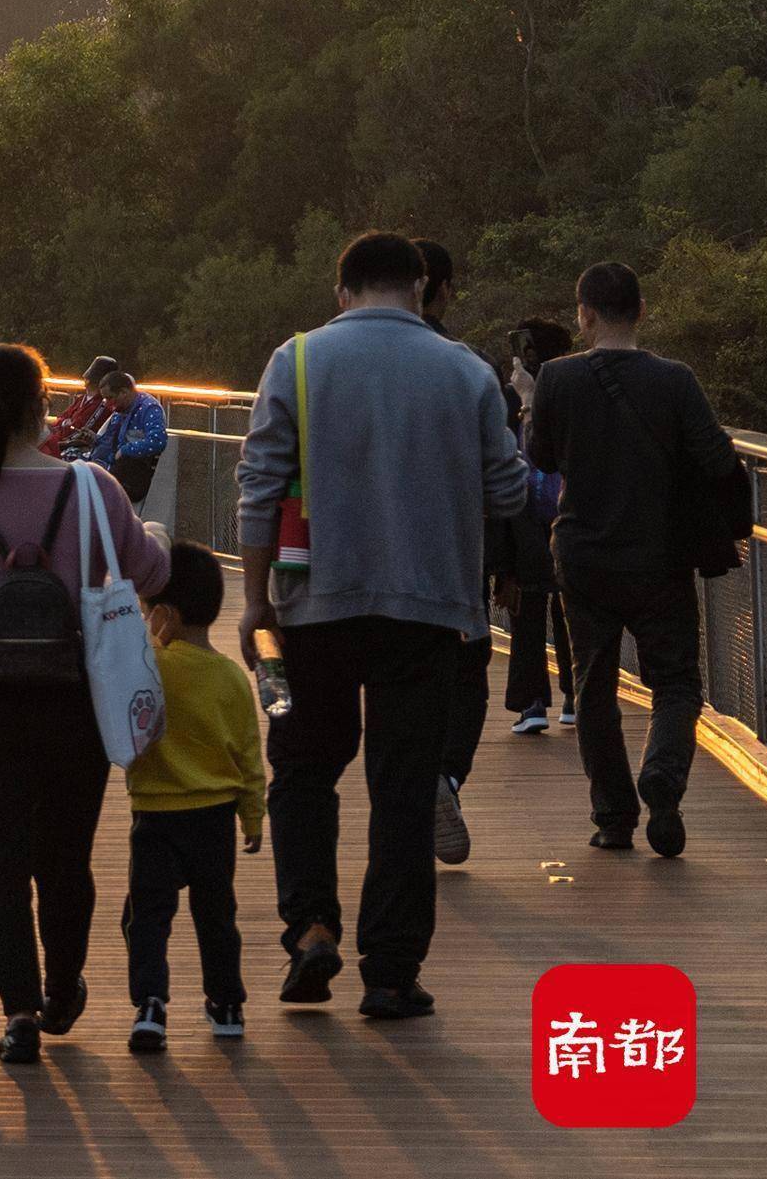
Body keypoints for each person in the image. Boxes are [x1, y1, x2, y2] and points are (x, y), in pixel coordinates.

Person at [233, 232, 524, 1022]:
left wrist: (255, 600)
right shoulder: (465, 369)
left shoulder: (294, 360)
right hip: (428, 612)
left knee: (302, 766)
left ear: (342, 291)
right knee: (401, 789)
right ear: (422, 286)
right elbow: (507, 490)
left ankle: (311, 926)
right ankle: (392, 972)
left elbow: (259, 483)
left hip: (311, 607)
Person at [0, 343, 169, 1064]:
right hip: (73, 699)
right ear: (39, 408)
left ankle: (18, 1011)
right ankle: (63, 983)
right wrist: (154, 537)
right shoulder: (94, 488)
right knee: (64, 854)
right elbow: (149, 572)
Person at [530, 261, 746, 858]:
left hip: (583, 556)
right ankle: (663, 777)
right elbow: (718, 458)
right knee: (675, 681)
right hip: (660, 559)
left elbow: (541, 458)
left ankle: (613, 818)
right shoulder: (676, 380)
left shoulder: (554, 378)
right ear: (642, 311)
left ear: (585, 315)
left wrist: (530, 403)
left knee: (592, 683)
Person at [414, 238, 540, 867]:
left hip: (362, 570)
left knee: (393, 684)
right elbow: (506, 481)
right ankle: (445, 779)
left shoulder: (316, 359)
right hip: (459, 560)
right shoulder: (469, 369)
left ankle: (406, 795)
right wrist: (511, 565)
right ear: (438, 289)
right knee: (466, 678)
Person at [120, 543, 263, 1053]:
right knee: (216, 914)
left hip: (156, 815)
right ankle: (226, 1003)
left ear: (165, 616)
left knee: (146, 917)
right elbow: (248, 755)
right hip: (215, 818)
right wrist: (252, 817)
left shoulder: (152, 668)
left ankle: (152, 1006)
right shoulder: (230, 678)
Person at [504, 316, 578, 734]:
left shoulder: (523, 393)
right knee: (564, 607)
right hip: (565, 513)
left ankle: (535, 702)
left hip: (531, 509)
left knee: (532, 610)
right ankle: (572, 693)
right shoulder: (576, 386)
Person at [87, 372, 169, 508]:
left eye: (110, 398)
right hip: (113, 466)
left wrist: (126, 450)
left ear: (124, 392)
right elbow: (109, 441)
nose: (107, 404)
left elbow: (157, 441)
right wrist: (95, 440)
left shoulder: (149, 408)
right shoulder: (119, 411)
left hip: (133, 473)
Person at [42, 357, 120, 456]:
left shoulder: (101, 405)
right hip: (57, 442)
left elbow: (76, 432)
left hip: (71, 449)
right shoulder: (82, 399)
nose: (85, 378)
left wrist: (53, 439)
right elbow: (62, 418)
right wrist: (63, 423)